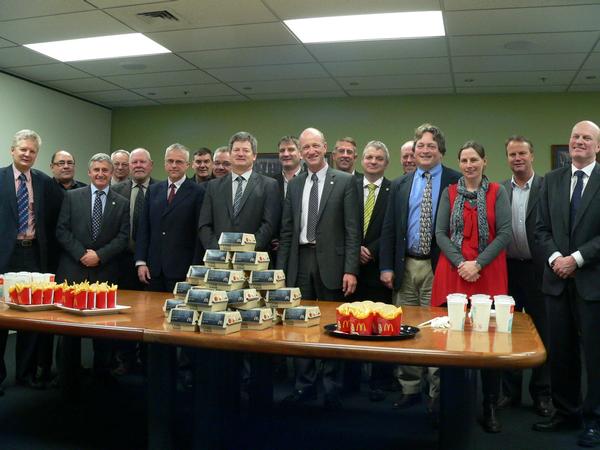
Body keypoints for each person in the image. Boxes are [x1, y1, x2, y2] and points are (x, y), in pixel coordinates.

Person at [379, 123, 460, 415]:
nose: (425, 151)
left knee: (439, 330)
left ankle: (436, 392)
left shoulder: (455, 180)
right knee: (406, 329)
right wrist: (386, 266)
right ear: (413, 151)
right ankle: (410, 387)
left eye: (431, 147)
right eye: (420, 146)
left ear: (441, 152)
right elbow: (389, 227)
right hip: (405, 266)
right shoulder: (401, 184)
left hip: (439, 267)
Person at [277, 127, 360, 410]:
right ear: (300, 152)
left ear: (325, 147)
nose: (310, 151)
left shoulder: (346, 181)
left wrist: (351, 269)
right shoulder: (296, 184)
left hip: (333, 265)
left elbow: (353, 231)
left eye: (315, 146)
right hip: (300, 262)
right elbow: (287, 232)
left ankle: (331, 388)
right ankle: (304, 386)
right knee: (301, 328)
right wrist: (281, 275)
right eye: (305, 147)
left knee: (331, 328)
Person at [431, 141, 511, 433]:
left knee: (489, 343)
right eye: (464, 160)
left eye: (474, 159)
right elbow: (440, 233)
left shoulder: (497, 193)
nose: (469, 165)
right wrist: (461, 263)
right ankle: (446, 404)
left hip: (488, 272)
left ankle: (489, 405)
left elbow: (504, 233)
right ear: (459, 163)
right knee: (448, 341)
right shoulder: (449, 192)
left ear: (484, 162)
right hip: (452, 271)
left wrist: (477, 263)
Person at [533, 120, 600, 448]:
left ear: (597, 147)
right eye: (575, 136)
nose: (579, 142)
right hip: (556, 280)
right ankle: (566, 412)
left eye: (587, 138)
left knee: (595, 355)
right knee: (560, 351)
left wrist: (577, 259)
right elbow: (540, 228)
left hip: (593, 282)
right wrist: (557, 258)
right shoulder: (551, 180)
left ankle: (594, 420)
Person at [55, 153, 130, 386]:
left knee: (103, 329)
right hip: (73, 270)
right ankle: (67, 375)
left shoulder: (122, 202)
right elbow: (61, 230)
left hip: (104, 271)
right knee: (68, 330)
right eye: (96, 170)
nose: (100, 174)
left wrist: (99, 256)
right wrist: (82, 254)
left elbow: (123, 236)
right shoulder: (71, 197)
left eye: (104, 170)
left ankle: (102, 374)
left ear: (111, 173)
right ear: (89, 172)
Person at [0, 130, 59, 392]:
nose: (27, 154)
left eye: (32, 151)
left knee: (30, 318)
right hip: (4, 255)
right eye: (22, 149)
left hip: (34, 255)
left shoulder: (44, 182)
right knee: (1, 319)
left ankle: (25, 373)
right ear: (12, 150)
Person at [499, 136, 552, 417]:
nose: (517, 158)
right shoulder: (499, 190)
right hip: (508, 270)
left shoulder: (546, 187)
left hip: (538, 269)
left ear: (532, 155)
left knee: (542, 332)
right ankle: (510, 391)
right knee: (508, 331)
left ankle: (542, 393)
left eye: (522, 153)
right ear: (506, 158)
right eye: (512, 154)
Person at [135, 144, 205, 293]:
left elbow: (199, 235)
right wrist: (141, 262)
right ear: (165, 163)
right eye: (170, 161)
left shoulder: (198, 192)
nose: (174, 165)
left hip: (182, 270)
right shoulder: (154, 190)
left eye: (179, 162)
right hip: (153, 270)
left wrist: (195, 270)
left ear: (187, 165)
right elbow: (144, 228)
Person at [354, 140, 393, 402]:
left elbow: (394, 227)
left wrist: (372, 249)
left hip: (380, 269)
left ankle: (380, 380)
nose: (373, 161)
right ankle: (352, 379)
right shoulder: (349, 187)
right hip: (352, 267)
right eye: (369, 157)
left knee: (381, 326)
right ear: (362, 160)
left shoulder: (395, 189)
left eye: (379, 158)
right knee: (353, 324)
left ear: (386, 163)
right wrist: (356, 247)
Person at [198, 131, 281, 252]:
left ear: (254, 156)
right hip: (219, 260)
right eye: (236, 150)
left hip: (254, 260)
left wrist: (246, 252)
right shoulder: (213, 186)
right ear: (230, 154)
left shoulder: (269, 185)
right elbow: (204, 224)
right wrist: (217, 251)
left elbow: (269, 225)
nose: (240, 154)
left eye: (246, 150)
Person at [112, 148, 157, 290]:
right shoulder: (115, 191)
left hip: (153, 261)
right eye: (134, 162)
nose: (138, 165)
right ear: (129, 166)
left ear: (151, 165)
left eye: (142, 162)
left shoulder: (162, 190)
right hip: (122, 261)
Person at [272, 136, 303, 200]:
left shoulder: (309, 181)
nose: (285, 154)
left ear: (301, 154)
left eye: (291, 150)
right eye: (282, 150)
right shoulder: (271, 183)